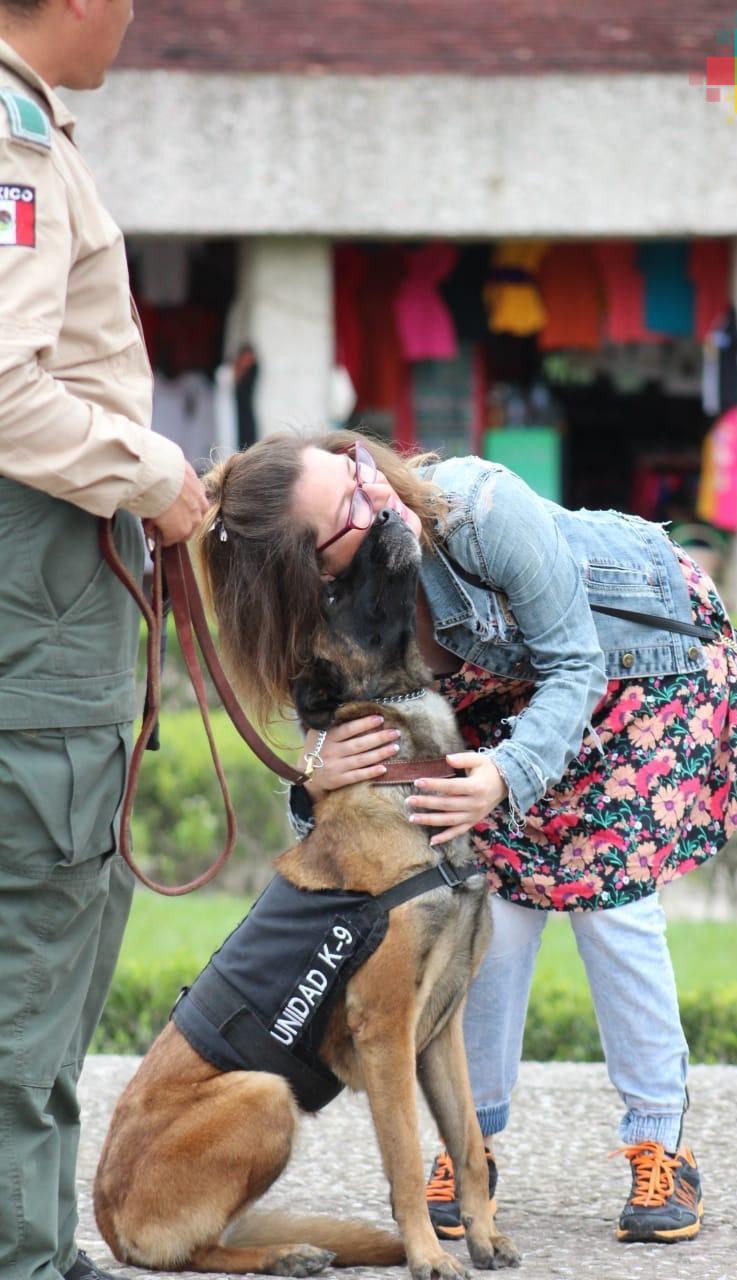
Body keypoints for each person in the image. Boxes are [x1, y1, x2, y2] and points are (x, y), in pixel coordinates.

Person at [194, 428, 737, 1246]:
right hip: (506, 707)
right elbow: (329, 765)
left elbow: (573, 664)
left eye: (356, 471)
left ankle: (659, 1144)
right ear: (309, 569)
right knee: (491, 918)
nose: (378, 494)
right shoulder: (314, 605)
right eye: (349, 512)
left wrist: (506, 775)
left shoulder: (477, 510)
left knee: (611, 911)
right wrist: (315, 773)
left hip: (634, 670)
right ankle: (473, 1146)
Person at [0, 5, 208, 1280]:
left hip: (45, 578)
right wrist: (153, 471)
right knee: (40, 908)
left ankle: (32, 1227)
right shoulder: (13, 138)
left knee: (59, 911)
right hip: (36, 580)